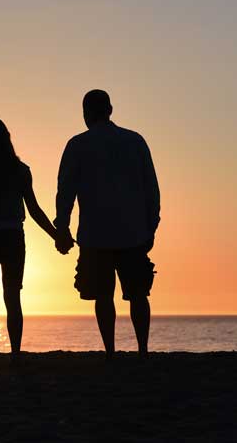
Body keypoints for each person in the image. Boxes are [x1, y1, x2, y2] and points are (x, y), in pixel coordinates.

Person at [54, 90, 160, 360]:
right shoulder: (135, 141)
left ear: (86, 113)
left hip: (95, 234)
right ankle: (143, 350)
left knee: (103, 295)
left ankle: (111, 351)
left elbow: (65, 191)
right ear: (110, 109)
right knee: (138, 294)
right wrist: (151, 226)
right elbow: (152, 190)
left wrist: (62, 226)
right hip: (133, 231)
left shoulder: (78, 145)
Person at [0, 118, 57, 366]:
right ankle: (15, 352)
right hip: (12, 236)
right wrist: (55, 234)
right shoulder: (19, 170)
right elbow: (34, 209)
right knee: (12, 296)